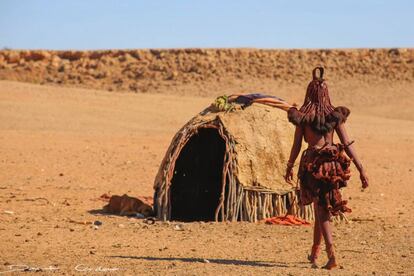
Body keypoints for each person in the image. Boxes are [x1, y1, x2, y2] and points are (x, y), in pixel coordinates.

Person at [284, 67, 369, 270]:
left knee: (322, 210)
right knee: (320, 207)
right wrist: (361, 168)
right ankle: (314, 252)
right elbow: (347, 143)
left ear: (309, 93)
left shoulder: (303, 117)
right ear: (326, 93)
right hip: (331, 164)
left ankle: (331, 255)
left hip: (313, 164)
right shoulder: (334, 117)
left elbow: (297, 145)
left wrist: (289, 166)